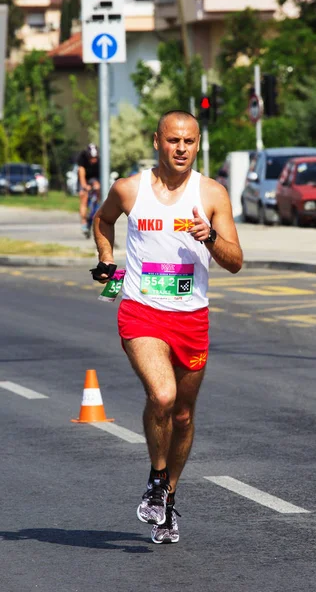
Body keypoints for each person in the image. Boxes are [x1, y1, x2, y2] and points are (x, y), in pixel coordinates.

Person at [91, 110, 243, 544]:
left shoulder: (211, 194)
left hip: (192, 316)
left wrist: (210, 236)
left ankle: (167, 500)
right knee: (162, 394)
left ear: (198, 144)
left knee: (182, 414)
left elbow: (235, 262)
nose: (181, 148)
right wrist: (107, 259)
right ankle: (157, 477)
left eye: (189, 141)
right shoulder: (130, 189)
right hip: (141, 310)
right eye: (173, 140)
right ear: (156, 141)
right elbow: (103, 220)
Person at [77, 143, 101, 235]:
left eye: (95, 158)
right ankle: (83, 222)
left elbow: (100, 175)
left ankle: (97, 207)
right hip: (85, 177)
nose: (93, 160)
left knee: (98, 189)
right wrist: (84, 186)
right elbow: (81, 172)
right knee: (83, 196)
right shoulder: (82, 157)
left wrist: (97, 185)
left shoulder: (99, 159)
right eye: (91, 158)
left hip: (94, 177)